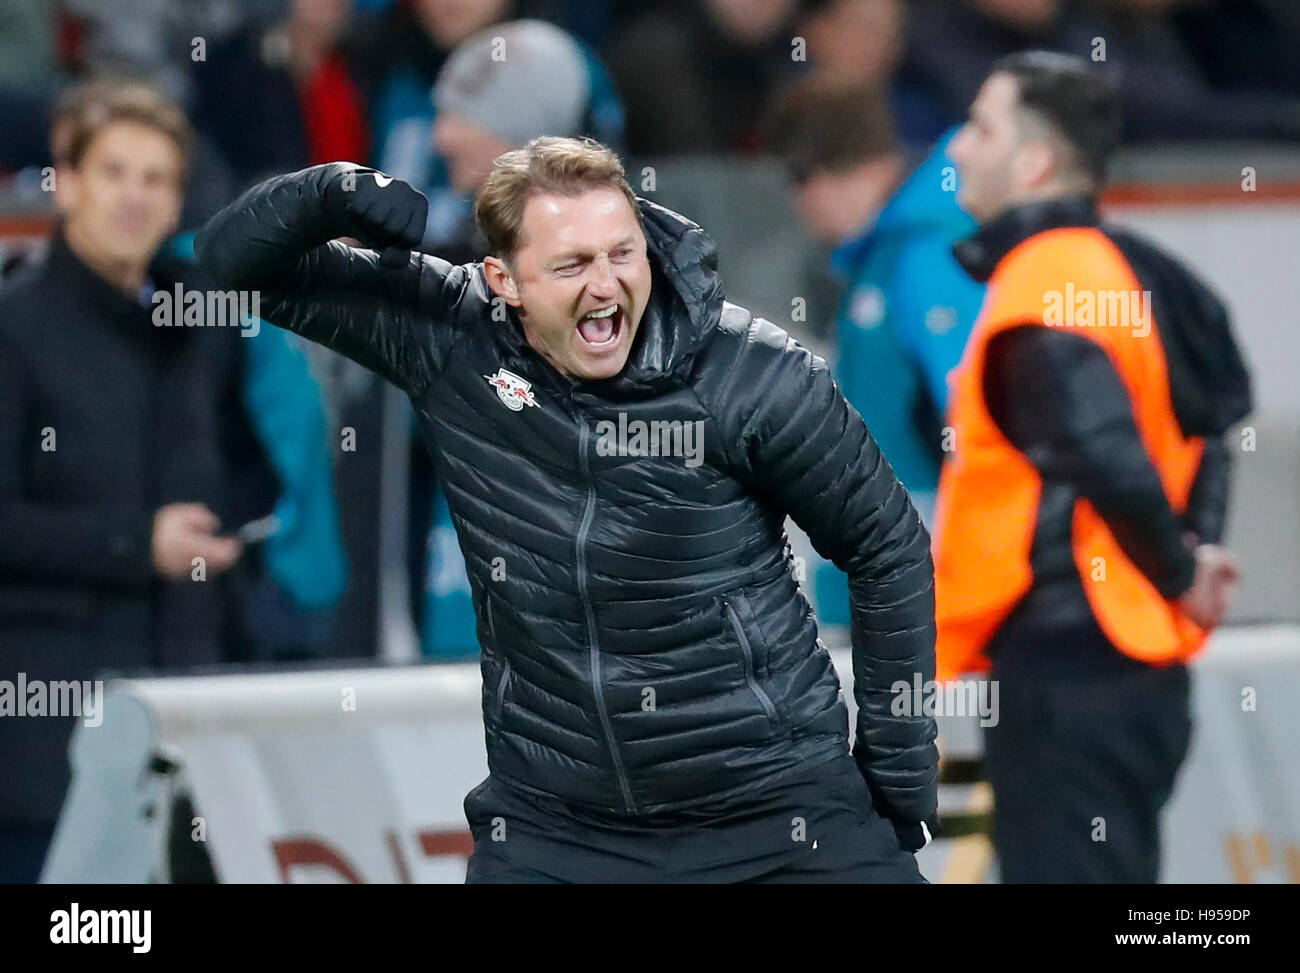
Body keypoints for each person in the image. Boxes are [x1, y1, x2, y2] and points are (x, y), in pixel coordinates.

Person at [196, 136, 939, 883]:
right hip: (559, 828)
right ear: (504, 280)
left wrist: (899, 771)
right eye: (571, 264)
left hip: (775, 810)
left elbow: (888, 546)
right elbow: (231, 265)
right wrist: (326, 191)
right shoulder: (449, 336)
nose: (606, 284)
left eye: (622, 254)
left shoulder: (754, 374)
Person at [935, 52, 1252, 882]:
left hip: (1066, 664)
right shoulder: (1156, 273)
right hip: (1132, 669)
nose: (957, 148)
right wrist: (1194, 553)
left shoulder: (1047, 282)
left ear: (1034, 163)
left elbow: (1099, 448)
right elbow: (1216, 419)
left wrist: (1181, 569)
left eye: (980, 127)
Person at [0, 81, 242, 881]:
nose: (135, 198)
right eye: (114, 173)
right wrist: (139, 544)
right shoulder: (15, 326)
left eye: (156, 179)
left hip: (189, 733)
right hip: (46, 749)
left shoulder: (196, 326)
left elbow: (243, 472)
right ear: (65, 182)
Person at [767, 78, 984, 629]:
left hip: (927, 571)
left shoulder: (929, 253)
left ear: (833, 167)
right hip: (887, 561)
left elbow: (972, 414)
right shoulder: (882, 261)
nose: (798, 202)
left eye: (799, 178)